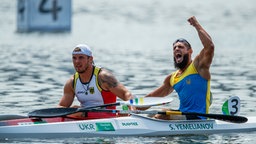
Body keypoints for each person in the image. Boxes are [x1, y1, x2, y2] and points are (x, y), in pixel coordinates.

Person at [145, 16, 214, 120]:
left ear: (190, 51)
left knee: (162, 114)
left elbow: (209, 47)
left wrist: (196, 25)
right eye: (174, 48)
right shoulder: (172, 78)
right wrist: (132, 107)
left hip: (199, 118)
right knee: (152, 114)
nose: (176, 49)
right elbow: (151, 98)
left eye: (181, 47)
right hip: (184, 115)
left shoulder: (198, 66)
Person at [58, 44, 134, 118]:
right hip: (83, 118)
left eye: (81, 57)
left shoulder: (103, 77)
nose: (77, 61)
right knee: (74, 110)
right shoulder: (71, 82)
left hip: (107, 119)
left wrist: (132, 111)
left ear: (90, 59)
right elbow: (61, 107)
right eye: (74, 58)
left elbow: (126, 94)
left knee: (78, 111)